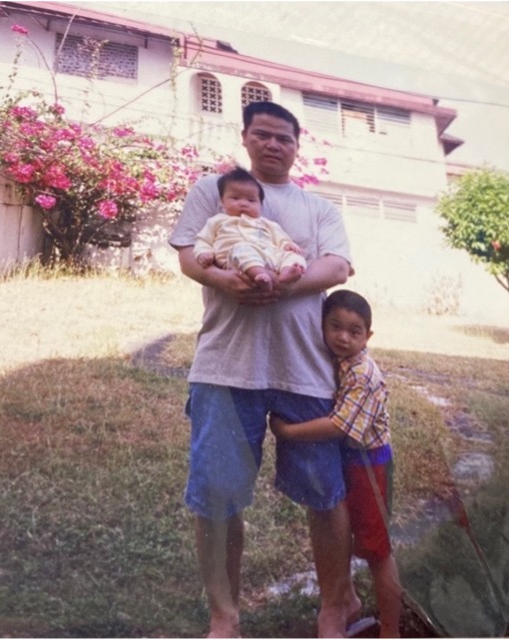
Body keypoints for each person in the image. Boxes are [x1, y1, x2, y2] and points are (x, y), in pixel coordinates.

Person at [168, 101, 356, 638]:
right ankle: (223, 614)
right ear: (246, 137)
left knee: (326, 493)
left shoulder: (319, 209)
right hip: (226, 367)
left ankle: (333, 607)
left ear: (299, 146)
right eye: (264, 135)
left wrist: (281, 286)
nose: (274, 146)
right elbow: (188, 254)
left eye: (285, 139)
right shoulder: (217, 190)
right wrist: (227, 281)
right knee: (217, 498)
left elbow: (337, 265)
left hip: (305, 368)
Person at [269, 290, 403, 638]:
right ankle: (348, 600)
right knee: (341, 531)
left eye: (354, 331)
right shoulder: (336, 360)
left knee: (378, 552)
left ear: (368, 337)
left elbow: (340, 425)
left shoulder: (362, 374)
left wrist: (288, 431)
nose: (343, 337)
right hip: (347, 457)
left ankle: (391, 632)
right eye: (335, 326)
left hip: (368, 465)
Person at [193, 167, 306, 291]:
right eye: (235, 198)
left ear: (260, 205)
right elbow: (203, 240)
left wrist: (288, 245)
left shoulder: (266, 223)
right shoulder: (218, 220)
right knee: (242, 248)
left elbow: (281, 239)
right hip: (236, 260)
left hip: (269, 256)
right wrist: (203, 253)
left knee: (293, 255)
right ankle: (259, 275)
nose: (244, 203)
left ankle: (287, 272)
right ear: (222, 201)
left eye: (251, 200)